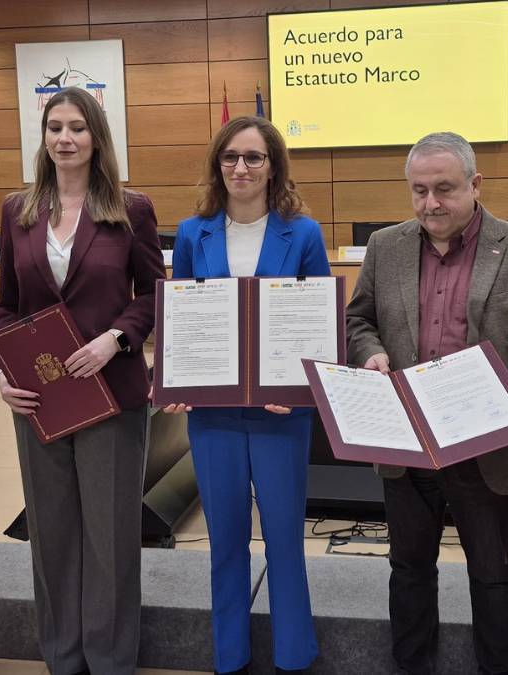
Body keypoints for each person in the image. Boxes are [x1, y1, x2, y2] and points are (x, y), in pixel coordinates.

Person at [346, 132, 508, 675]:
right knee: (408, 568)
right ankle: (412, 664)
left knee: (491, 571)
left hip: (484, 441)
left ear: (475, 184)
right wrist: (371, 354)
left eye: (444, 189)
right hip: (407, 442)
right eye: (419, 190)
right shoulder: (385, 246)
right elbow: (359, 320)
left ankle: (498, 667)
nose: (430, 203)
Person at [0, 87, 164, 675]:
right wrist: (2, 371)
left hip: (112, 392)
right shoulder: (19, 210)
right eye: (55, 127)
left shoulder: (130, 208)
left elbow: (154, 295)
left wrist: (115, 338)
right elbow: (6, 305)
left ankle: (110, 660)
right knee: (52, 532)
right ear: (43, 137)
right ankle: (63, 658)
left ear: (96, 137)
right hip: (40, 397)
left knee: (110, 536)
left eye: (77, 127)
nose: (65, 138)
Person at [163, 116, 329, 674]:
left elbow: (317, 322)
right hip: (213, 415)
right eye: (230, 156)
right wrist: (179, 378)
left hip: (281, 414)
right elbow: (182, 315)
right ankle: (229, 657)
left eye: (254, 157)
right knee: (225, 542)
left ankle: (293, 657)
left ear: (273, 166)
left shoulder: (303, 233)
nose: (241, 167)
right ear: (218, 164)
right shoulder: (193, 233)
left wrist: (301, 391)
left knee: (284, 540)